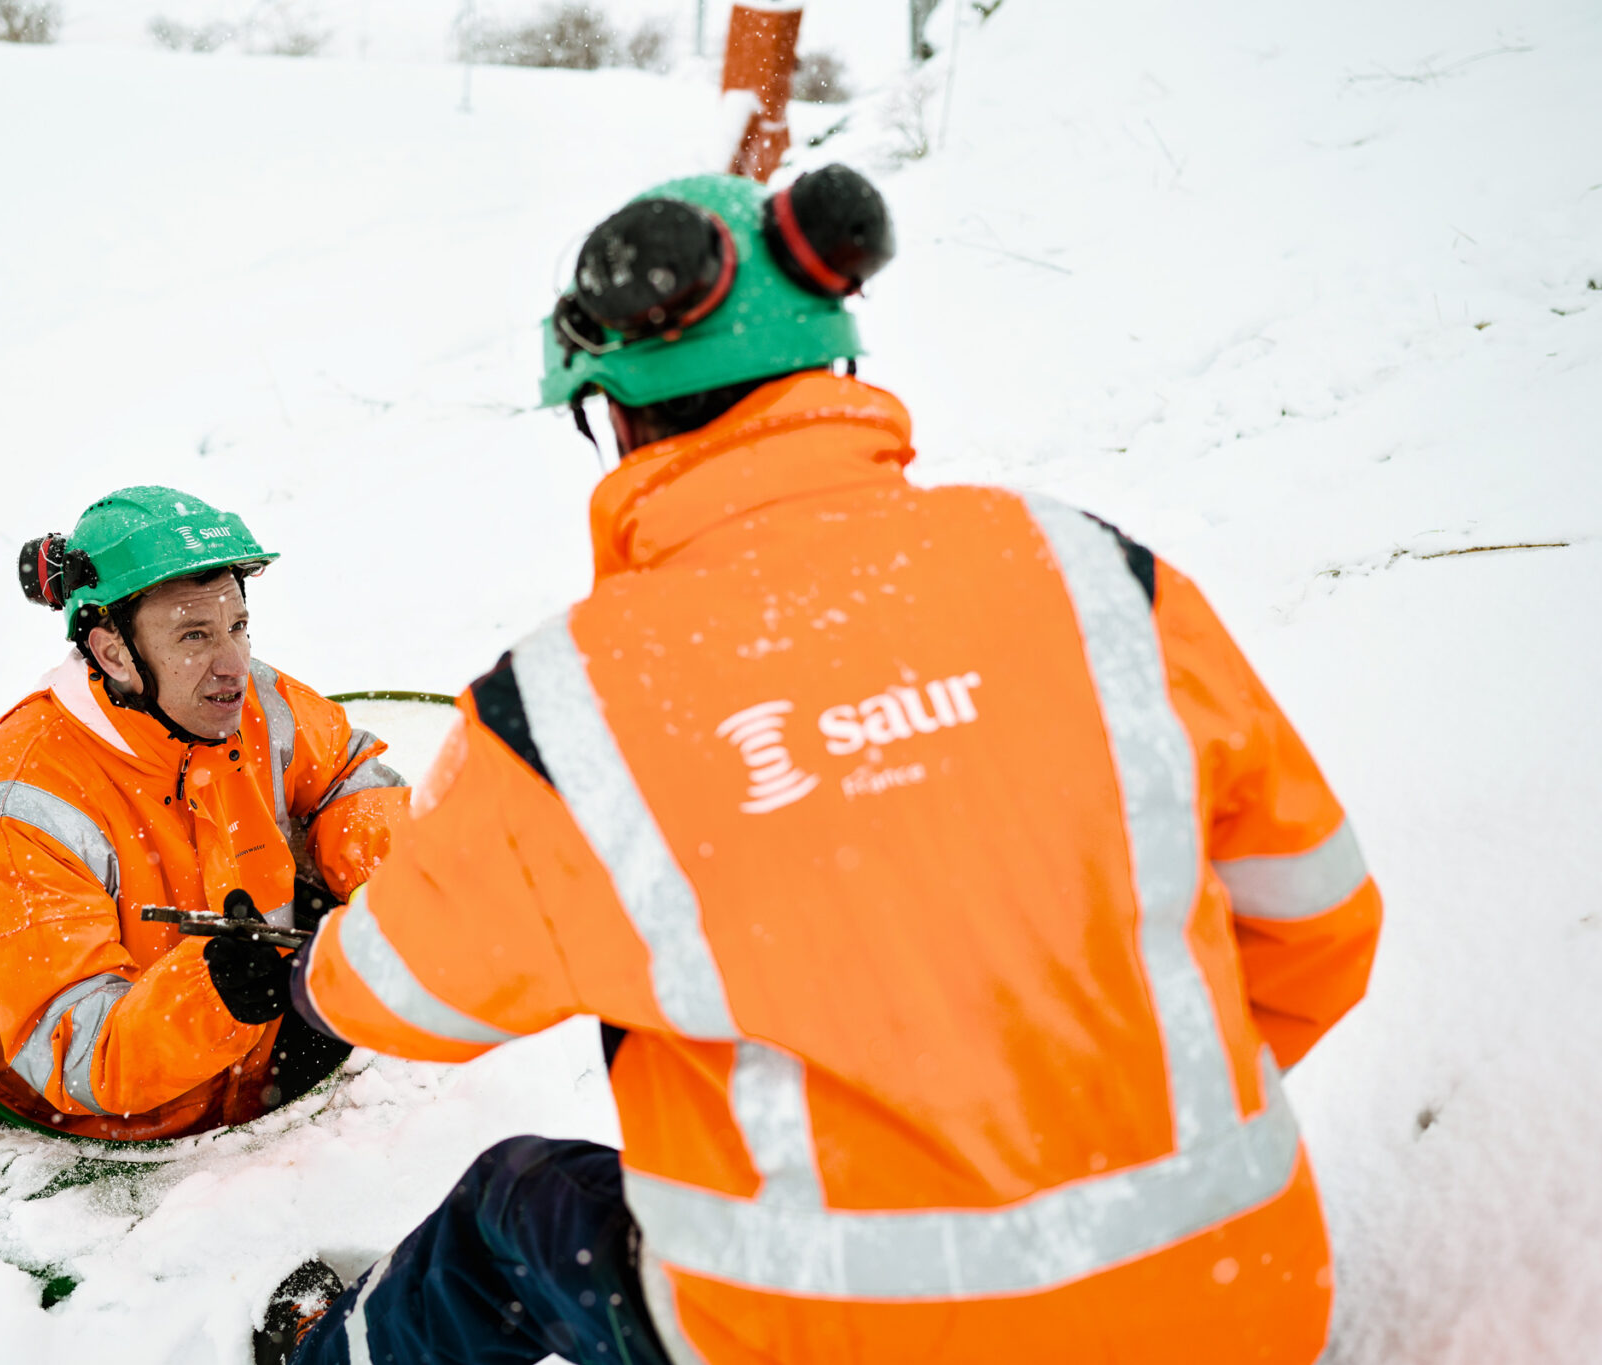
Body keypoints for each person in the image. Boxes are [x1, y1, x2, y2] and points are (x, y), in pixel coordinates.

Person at [234, 167, 1382, 1364]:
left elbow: (416, 990)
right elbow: (1320, 923)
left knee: (511, 1204)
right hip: (1234, 1306)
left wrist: (312, 982)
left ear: (612, 414)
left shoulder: (574, 705)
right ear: (832, 369)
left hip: (824, 1339)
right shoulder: (1087, 576)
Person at [0, 486, 411, 1141]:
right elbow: (77, 1052)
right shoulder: (17, 814)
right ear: (112, 652)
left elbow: (347, 778)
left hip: (257, 1067)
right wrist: (213, 996)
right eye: (194, 635)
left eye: (238, 626)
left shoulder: (251, 703)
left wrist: (392, 876)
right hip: (118, 1137)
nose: (233, 665)